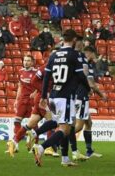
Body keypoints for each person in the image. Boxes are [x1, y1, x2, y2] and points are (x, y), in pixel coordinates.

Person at [32, 29, 89, 167]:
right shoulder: (74, 55)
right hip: (66, 96)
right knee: (64, 129)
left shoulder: (54, 55)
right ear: (74, 40)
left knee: (64, 126)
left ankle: (64, 158)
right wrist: (87, 87)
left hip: (54, 95)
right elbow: (81, 76)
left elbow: (46, 77)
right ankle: (41, 147)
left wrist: (44, 95)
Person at [71, 46, 106, 160]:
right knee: (78, 126)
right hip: (80, 97)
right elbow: (91, 83)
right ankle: (58, 141)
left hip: (83, 96)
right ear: (89, 53)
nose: (94, 57)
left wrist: (89, 90)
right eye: (93, 54)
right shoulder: (84, 65)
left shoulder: (87, 65)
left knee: (89, 123)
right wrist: (101, 95)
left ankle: (89, 151)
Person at [6, 55, 38, 157]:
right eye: (25, 60)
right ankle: (15, 145)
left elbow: (41, 86)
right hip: (22, 100)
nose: (26, 62)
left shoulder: (36, 73)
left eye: (28, 61)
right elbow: (20, 86)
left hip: (32, 100)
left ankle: (36, 146)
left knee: (34, 124)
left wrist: (36, 92)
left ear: (32, 62)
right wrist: (16, 99)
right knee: (16, 121)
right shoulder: (21, 72)